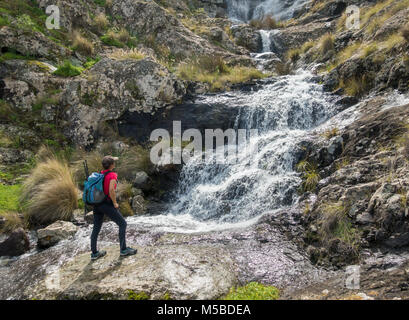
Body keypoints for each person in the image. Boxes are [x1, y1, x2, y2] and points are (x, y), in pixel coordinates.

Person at [90, 155, 137, 260]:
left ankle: (94, 253)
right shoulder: (112, 175)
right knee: (123, 224)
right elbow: (111, 190)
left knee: (96, 229)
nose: (115, 163)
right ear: (112, 165)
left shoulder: (100, 174)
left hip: (97, 204)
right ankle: (123, 250)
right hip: (106, 204)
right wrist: (115, 203)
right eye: (114, 162)